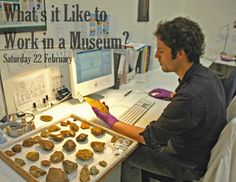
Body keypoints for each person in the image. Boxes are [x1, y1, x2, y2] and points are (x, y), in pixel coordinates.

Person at [92, 17, 227, 182]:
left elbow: (147, 137)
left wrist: (111, 121)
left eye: (161, 51)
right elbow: (197, 106)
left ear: (180, 53)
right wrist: (173, 96)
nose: (156, 56)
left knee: (124, 153)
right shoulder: (209, 76)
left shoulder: (190, 97)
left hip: (189, 165)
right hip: (201, 149)